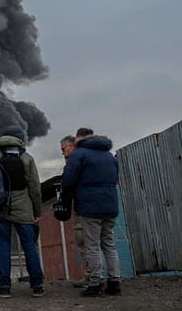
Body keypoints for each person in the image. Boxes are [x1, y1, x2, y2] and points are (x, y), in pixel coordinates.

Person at [0, 125, 45, 299]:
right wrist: (36, 210)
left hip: (0, 208)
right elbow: (35, 188)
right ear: (19, 139)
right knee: (29, 246)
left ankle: (4, 285)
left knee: (4, 246)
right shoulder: (26, 158)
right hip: (24, 209)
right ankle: (37, 285)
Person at [61, 127, 122, 297]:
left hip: (90, 206)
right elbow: (115, 177)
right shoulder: (109, 155)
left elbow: (68, 179)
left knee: (92, 245)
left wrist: (66, 199)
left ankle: (95, 283)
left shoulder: (79, 154)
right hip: (110, 205)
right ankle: (114, 282)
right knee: (109, 243)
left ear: (79, 140)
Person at [60, 134, 90, 288]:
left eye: (64, 149)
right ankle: (111, 277)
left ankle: (91, 277)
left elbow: (68, 183)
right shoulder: (94, 158)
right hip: (101, 206)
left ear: (72, 146)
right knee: (105, 243)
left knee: (83, 240)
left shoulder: (76, 162)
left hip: (83, 207)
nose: (62, 152)